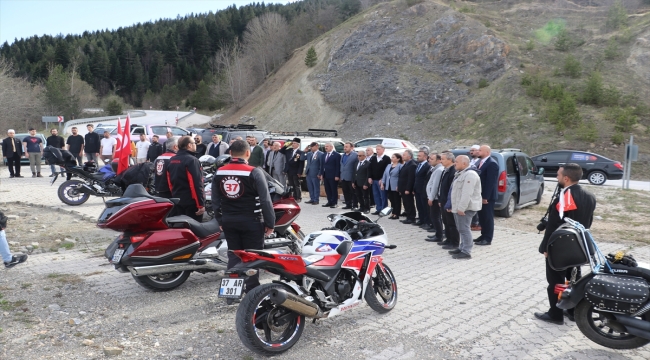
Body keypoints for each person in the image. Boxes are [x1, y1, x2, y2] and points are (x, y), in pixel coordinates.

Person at [212, 139, 275, 303]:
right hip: (251, 220)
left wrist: (220, 219)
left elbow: (215, 200)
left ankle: (231, 294)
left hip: (229, 220)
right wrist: (270, 223)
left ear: (230, 153)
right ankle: (252, 293)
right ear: (248, 153)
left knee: (234, 255)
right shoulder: (254, 171)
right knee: (252, 257)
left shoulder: (219, 172)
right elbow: (265, 200)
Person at [534, 164, 596, 325]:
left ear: (566, 178)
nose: (557, 178)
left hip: (560, 248)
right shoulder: (589, 196)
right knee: (575, 280)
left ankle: (555, 314)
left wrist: (545, 247)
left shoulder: (564, 197)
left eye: (558, 175)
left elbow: (553, 225)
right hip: (579, 247)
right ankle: (573, 311)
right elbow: (588, 223)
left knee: (556, 281)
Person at [448, 155, 482, 259]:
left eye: (457, 162)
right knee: (461, 228)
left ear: (464, 163)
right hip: (459, 206)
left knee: (464, 229)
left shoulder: (470, 175)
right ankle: (462, 247)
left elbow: (467, 193)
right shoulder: (461, 173)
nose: (455, 163)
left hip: (466, 208)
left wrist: (461, 208)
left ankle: (466, 251)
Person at [166, 136, 205, 222]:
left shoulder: (172, 159)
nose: (196, 145)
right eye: (194, 143)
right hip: (191, 203)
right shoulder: (192, 160)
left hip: (177, 200)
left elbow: (170, 182)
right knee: (194, 230)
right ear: (189, 145)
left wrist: (175, 196)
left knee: (181, 228)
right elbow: (196, 184)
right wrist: (200, 204)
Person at [475, 145, 499, 246]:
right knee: (482, 217)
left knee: (487, 217)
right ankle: (483, 235)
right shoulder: (479, 162)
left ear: (487, 152)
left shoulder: (491, 163)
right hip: (479, 195)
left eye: (480, 150)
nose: (478, 152)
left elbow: (490, 182)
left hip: (487, 197)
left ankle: (488, 238)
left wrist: (485, 197)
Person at [436, 152, 459, 249]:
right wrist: (441, 199)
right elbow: (442, 186)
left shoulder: (453, 171)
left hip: (449, 201)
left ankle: (454, 242)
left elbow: (452, 189)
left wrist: (450, 203)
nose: (441, 161)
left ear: (450, 160)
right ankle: (448, 239)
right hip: (444, 199)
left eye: (443, 159)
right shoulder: (446, 170)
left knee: (451, 223)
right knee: (446, 221)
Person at [425, 153, 444, 241]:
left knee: (435, 217)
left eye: (432, 159)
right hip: (432, 197)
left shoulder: (439, 170)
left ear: (439, 160)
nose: (429, 160)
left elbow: (435, 185)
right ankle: (438, 233)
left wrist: (431, 197)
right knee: (434, 216)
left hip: (435, 198)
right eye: (429, 158)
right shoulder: (435, 169)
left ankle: (439, 235)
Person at [369, 144, 391, 214]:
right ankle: (378, 208)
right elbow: (370, 168)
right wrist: (370, 177)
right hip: (374, 179)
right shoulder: (373, 158)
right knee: (376, 195)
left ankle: (384, 209)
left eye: (378, 149)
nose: (377, 151)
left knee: (383, 195)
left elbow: (387, 170)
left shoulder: (386, 158)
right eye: (376, 149)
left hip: (381, 180)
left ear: (383, 150)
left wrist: (382, 179)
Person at [381, 153, 403, 220]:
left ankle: (397, 213)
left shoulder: (400, 166)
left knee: (397, 200)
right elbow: (385, 175)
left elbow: (401, 177)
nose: (392, 158)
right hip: (388, 185)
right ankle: (393, 213)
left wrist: (398, 185)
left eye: (393, 157)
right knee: (391, 200)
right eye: (392, 157)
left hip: (395, 185)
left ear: (398, 159)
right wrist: (383, 183)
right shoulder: (388, 165)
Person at [413, 149, 431, 227]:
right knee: (419, 206)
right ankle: (421, 220)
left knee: (425, 207)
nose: (417, 157)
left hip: (423, 190)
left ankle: (427, 222)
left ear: (425, 157)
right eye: (417, 155)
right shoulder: (418, 165)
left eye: (419, 156)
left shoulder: (427, 166)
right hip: (417, 189)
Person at [283, 138, 305, 202]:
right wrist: (287, 145)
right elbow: (281, 151)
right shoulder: (289, 150)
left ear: (298, 145)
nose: (293, 144)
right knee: (291, 184)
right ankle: (293, 196)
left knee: (297, 184)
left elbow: (301, 163)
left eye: (294, 143)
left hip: (296, 170)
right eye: (292, 143)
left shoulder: (300, 152)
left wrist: (299, 172)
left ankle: (298, 197)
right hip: (289, 170)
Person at [398, 150, 417, 224]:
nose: (403, 156)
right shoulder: (405, 164)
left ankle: (411, 218)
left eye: (404, 155)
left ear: (409, 156)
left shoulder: (412, 165)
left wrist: (408, 189)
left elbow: (411, 178)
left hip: (407, 188)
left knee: (409, 203)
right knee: (405, 203)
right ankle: (408, 216)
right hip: (403, 187)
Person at [320, 142, 341, 208]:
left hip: (333, 175)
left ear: (331, 147)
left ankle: (334, 203)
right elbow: (322, 165)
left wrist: (337, 175)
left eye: (327, 146)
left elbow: (338, 166)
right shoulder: (324, 155)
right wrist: (321, 174)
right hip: (326, 175)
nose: (326, 147)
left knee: (333, 189)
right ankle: (329, 201)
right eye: (325, 146)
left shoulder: (336, 155)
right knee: (327, 189)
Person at [339, 142, 359, 210]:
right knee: (345, 191)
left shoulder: (355, 155)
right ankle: (348, 204)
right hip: (343, 176)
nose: (345, 148)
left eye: (347, 147)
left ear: (351, 147)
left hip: (351, 176)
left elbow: (356, 166)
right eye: (344, 147)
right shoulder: (343, 155)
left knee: (353, 192)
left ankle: (355, 205)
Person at [469, 145, 481, 231]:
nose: (471, 152)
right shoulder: (471, 161)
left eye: (473, 150)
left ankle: (476, 223)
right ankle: (472, 222)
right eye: (471, 150)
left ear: (478, 151)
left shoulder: (480, 162)